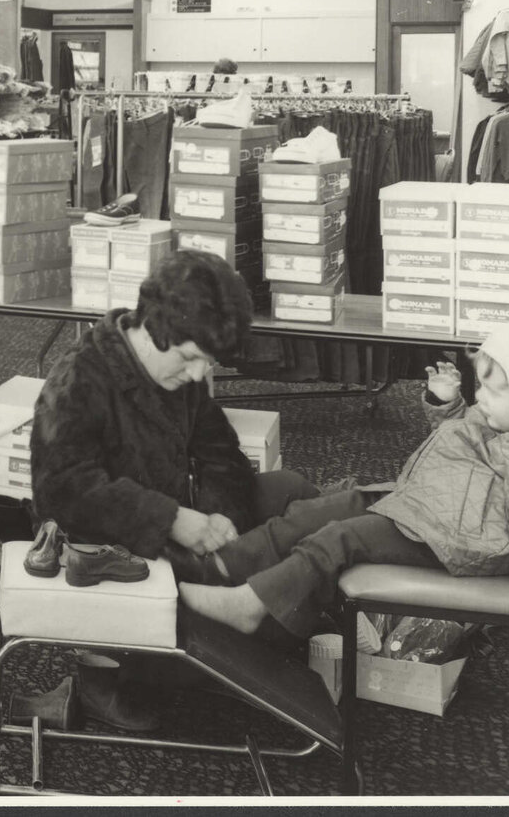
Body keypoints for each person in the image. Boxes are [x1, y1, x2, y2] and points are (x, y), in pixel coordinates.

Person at [17, 251, 320, 730]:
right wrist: (173, 519)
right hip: (113, 549)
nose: (200, 375)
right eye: (191, 358)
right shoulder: (80, 377)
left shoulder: (177, 372)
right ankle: (106, 673)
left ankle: (261, 603)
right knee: (264, 592)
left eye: (209, 361)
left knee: (291, 489)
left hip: (180, 521)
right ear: (155, 329)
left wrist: (224, 519)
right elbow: (60, 491)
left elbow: (221, 453)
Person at [176, 323, 509, 638]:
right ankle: (221, 566)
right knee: (315, 510)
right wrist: (447, 406)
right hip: (429, 508)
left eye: (492, 393)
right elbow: (471, 445)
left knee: (337, 538)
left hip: (459, 540)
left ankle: (251, 605)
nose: (481, 399)